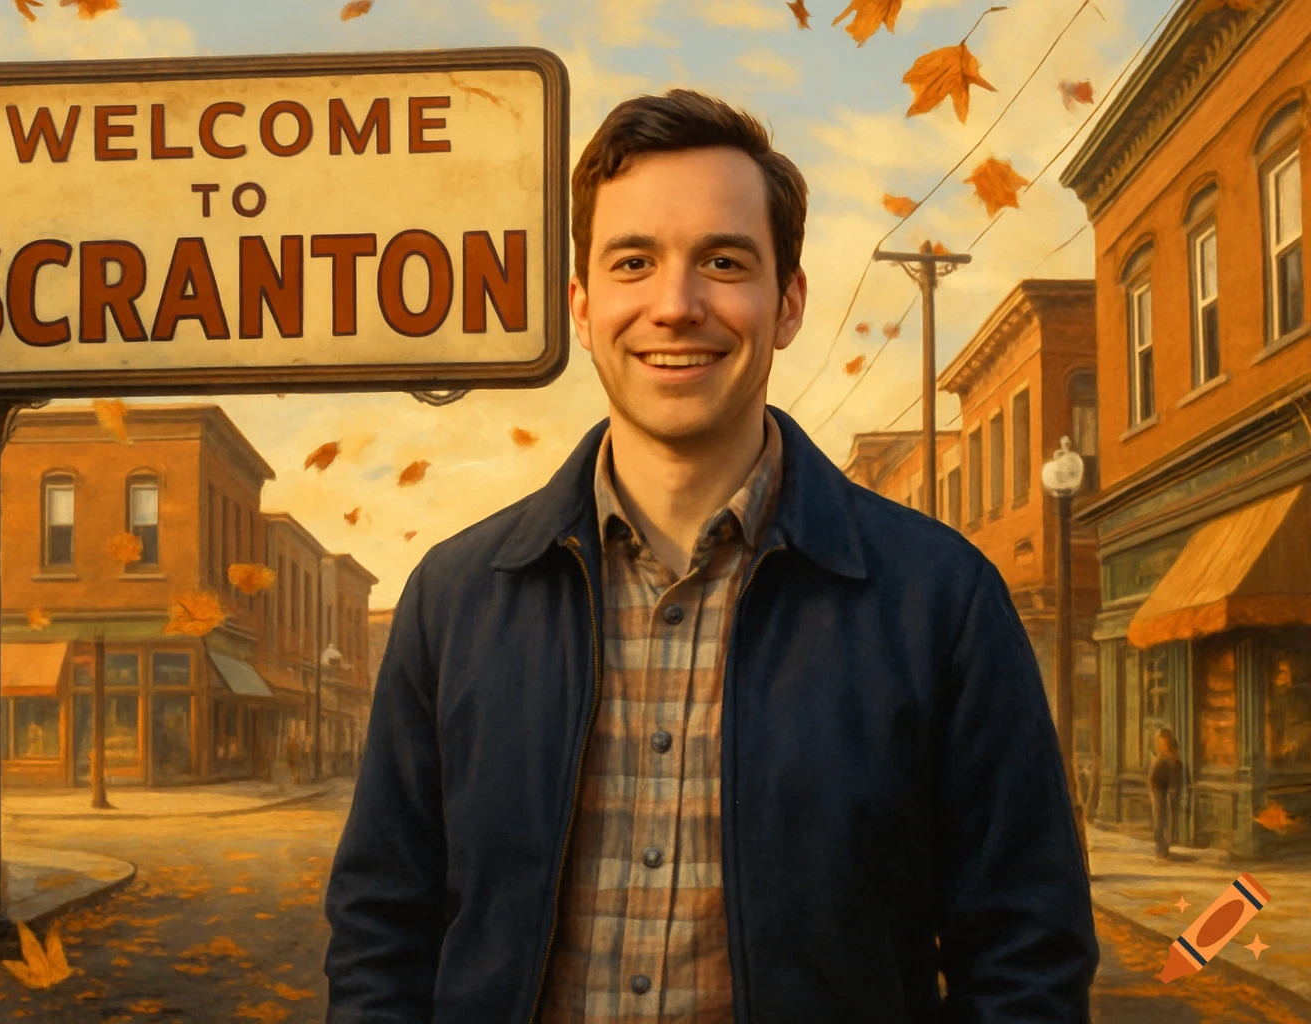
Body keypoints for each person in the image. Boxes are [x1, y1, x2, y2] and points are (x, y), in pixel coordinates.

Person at [324, 88, 1098, 1022]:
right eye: (633, 262)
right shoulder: (455, 602)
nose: (676, 304)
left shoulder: (941, 602)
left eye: (723, 262)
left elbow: (1026, 958)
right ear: (581, 304)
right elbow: (382, 936)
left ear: (787, 303)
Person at [1148, 728, 1183, 859]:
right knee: (1159, 819)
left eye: (1165, 743)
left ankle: (1165, 846)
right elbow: (1152, 777)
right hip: (1158, 791)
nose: (1163, 746)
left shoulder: (1174, 757)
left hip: (1169, 791)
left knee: (1169, 820)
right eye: (1160, 743)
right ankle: (1159, 846)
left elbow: (1178, 773)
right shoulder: (1159, 759)